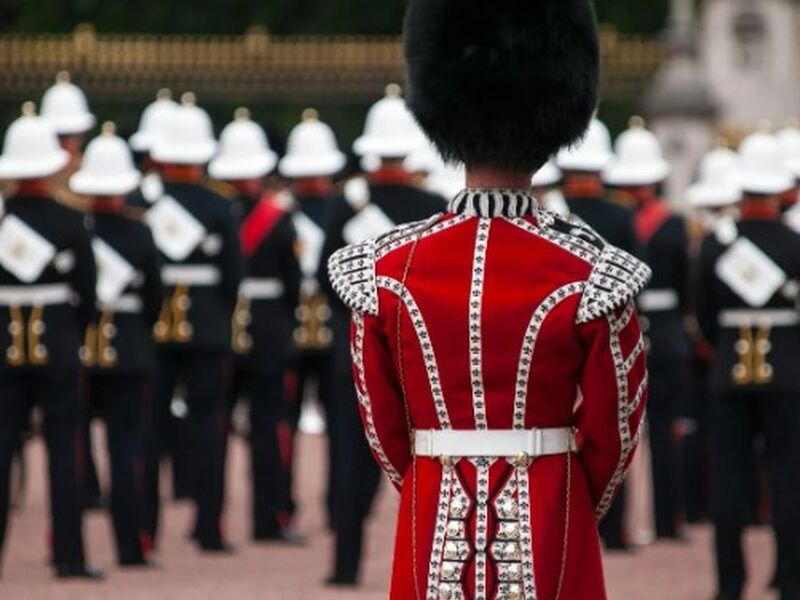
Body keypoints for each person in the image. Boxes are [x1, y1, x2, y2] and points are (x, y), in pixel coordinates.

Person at [327, 1, 651, 598]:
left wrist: (436, 476)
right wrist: (569, 497)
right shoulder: (592, 269)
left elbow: (384, 429)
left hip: (434, 513)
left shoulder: (388, 267)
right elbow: (613, 433)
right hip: (552, 504)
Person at [320, 84, 445, 586]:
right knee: (428, 463)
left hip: (353, 350)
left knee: (350, 463)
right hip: (419, 353)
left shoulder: (345, 208)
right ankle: (423, 568)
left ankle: (344, 567)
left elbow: (324, 283)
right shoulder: (434, 204)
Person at [696, 131, 800, 600]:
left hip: (729, 374)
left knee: (730, 485)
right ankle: (792, 580)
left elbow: (704, 316)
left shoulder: (718, 245)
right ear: (780, 189)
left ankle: (729, 585)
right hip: (788, 373)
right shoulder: (795, 244)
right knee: (789, 481)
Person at [0, 102, 101, 579]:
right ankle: (70, 557)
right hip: (58, 346)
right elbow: (89, 294)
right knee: (65, 453)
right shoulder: (69, 222)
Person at [143, 93, 243, 552]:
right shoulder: (220, 206)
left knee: (147, 429)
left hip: (153, 328)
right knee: (208, 429)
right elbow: (232, 279)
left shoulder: (142, 201)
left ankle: (143, 530)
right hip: (206, 326)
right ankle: (209, 527)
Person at [69, 122, 163, 565]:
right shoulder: (140, 233)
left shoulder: (77, 227)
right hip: (129, 349)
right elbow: (153, 301)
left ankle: (68, 546)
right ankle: (131, 546)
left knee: (72, 449)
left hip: (79, 351)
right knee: (128, 452)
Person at [208, 108, 302, 543]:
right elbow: (293, 282)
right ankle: (269, 520)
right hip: (268, 328)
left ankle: (210, 523)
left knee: (215, 428)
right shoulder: (278, 218)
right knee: (269, 427)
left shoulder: (214, 212)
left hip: (224, 325)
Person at [604, 117, 690, 541]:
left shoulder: (627, 222)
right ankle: (649, 522)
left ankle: (663, 519)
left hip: (648, 327)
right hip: (659, 327)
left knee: (658, 431)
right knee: (626, 433)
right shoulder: (669, 225)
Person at [556, 116, 637, 550]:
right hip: (609, 330)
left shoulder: (550, 211)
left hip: (557, 331)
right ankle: (613, 525)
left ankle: (566, 521)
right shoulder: (621, 214)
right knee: (613, 426)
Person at [278, 108, 348, 524]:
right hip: (325, 327)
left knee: (291, 422)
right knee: (335, 427)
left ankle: (286, 507)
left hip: (293, 325)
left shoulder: (281, 210)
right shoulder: (344, 210)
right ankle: (338, 508)